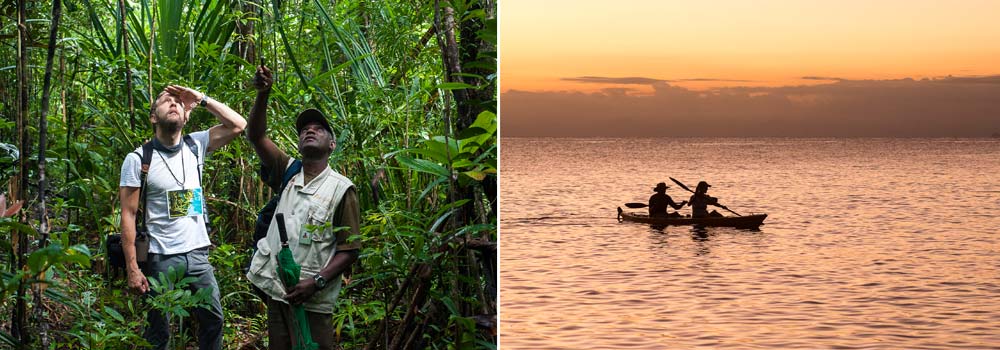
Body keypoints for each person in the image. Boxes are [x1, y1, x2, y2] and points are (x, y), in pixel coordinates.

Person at [119, 85, 247, 350]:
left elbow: (238, 125)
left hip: (198, 255)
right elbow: (128, 215)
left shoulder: (195, 144)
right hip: (160, 257)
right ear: (154, 117)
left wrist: (202, 98)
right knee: (159, 332)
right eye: (166, 101)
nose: (174, 104)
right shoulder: (139, 159)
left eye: (178, 102)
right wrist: (133, 267)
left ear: (186, 115)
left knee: (213, 321)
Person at [245, 65, 361, 350]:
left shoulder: (341, 188)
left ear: (332, 144)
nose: (310, 130)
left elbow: (350, 249)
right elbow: (255, 136)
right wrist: (264, 94)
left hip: (313, 301)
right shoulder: (287, 172)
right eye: (305, 130)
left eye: (318, 129)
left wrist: (316, 282)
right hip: (278, 291)